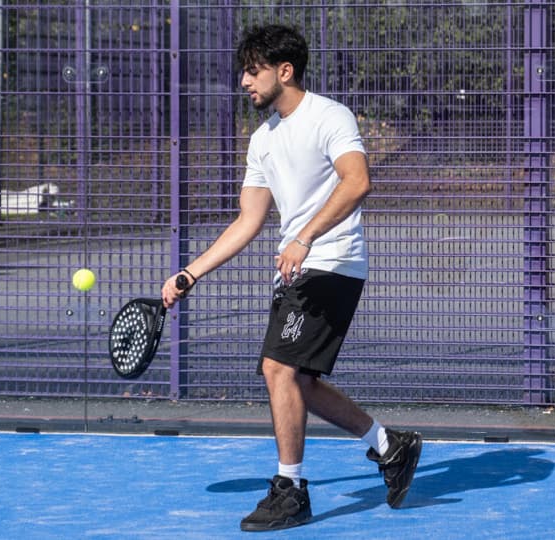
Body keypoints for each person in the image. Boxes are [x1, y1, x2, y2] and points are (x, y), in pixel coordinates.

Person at [161, 24, 421, 532]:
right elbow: (247, 221)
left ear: (285, 70)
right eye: (242, 71)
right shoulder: (262, 140)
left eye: (252, 70)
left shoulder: (329, 116)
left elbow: (358, 181)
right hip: (295, 269)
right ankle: (391, 446)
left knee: (277, 368)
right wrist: (190, 273)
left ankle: (291, 490)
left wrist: (304, 236)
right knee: (299, 379)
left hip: (331, 262)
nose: (243, 82)